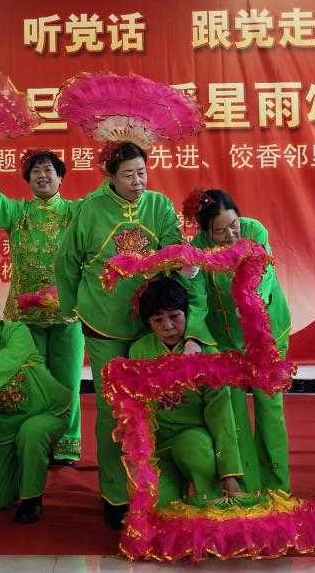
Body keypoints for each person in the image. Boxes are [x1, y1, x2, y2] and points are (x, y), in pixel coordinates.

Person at [55, 141, 203, 528]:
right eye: (128, 175)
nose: (138, 181)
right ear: (110, 176)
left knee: (154, 403)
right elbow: (67, 260)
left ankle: (155, 486)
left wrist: (184, 261)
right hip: (103, 321)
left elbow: (172, 245)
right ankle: (116, 495)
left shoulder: (158, 205)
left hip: (148, 324)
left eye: (142, 173)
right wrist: (71, 306)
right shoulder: (90, 208)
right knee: (112, 409)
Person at [0, 140, 83, 465]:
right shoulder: (18, 212)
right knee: (31, 381)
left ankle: (66, 444)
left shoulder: (77, 212)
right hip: (25, 318)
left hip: (69, 315)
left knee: (67, 382)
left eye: (48, 170)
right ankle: (34, 440)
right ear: (28, 179)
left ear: (61, 177)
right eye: (35, 171)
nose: (42, 175)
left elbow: (107, 204)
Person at [186, 188, 291, 492]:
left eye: (234, 225)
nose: (231, 235)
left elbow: (263, 273)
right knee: (232, 412)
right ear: (205, 231)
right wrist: (193, 336)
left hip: (265, 334)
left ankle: (277, 487)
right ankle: (247, 486)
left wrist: (249, 300)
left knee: (269, 407)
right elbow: (198, 300)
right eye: (220, 231)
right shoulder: (198, 249)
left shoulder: (255, 231)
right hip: (224, 339)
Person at [129, 276, 244, 505]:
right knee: (157, 505)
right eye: (158, 320)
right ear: (148, 323)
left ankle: (207, 489)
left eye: (174, 316)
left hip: (194, 437)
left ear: (188, 314)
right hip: (156, 442)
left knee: (198, 459)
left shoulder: (207, 355)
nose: (168, 326)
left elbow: (221, 417)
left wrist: (229, 476)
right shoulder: (138, 351)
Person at [0, 290, 70, 523]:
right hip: (3, 424)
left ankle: (31, 499)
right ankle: (23, 465)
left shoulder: (15, 331)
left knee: (31, 432)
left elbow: (10, 357)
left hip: (46, 409)